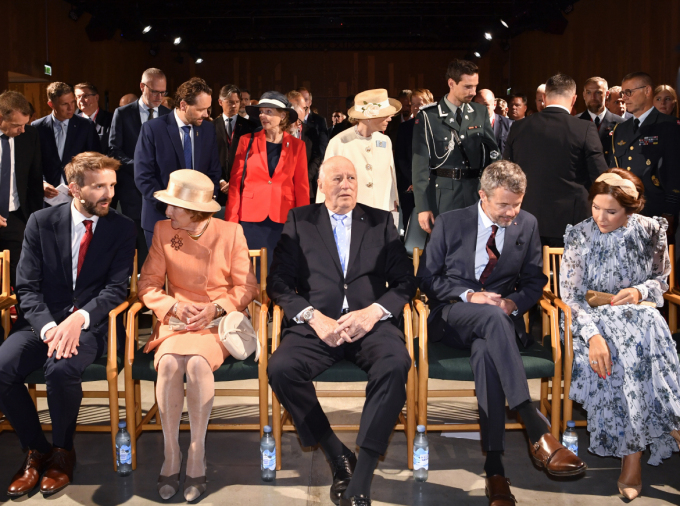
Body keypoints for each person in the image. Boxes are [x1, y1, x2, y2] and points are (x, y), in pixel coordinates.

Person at [417, 160, 586, 505]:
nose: (512, 212)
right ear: (483, 195)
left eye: (518, 203)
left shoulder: (528, 224)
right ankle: (533, 423)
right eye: (503, 204)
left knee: (485, 351)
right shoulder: (450, 222)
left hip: (499, 325)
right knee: (490, 321)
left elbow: (535, 281)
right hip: (453, 315)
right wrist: (471, 296)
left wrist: (513, 304)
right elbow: (428, 279)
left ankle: (495, 471)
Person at [267, 156, 416, 506]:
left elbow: (406, 282)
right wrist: (312, 317)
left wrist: (373, 313)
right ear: (321, 184)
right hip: (319, 326)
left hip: (370, 324)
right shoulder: (300, 220)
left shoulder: (380, 222)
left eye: (351, 178)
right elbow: (278, 282)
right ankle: (336, 453)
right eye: (337, 178)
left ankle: (360, 478)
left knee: (395, 365)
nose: (346, 184)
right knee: (281, 368)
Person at [0, 152, 136, 497]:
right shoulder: (41, 222)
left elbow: (116, 289)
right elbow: (27, 288)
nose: (109, 194)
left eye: (112, 185)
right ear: (74, 189)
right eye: (99, 187)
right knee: (2, 366)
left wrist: (79, 318)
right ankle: (36, 449)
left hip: (93, 325)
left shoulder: (122, 227)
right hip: (42, 324)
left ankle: (62, 452)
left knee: (61, 368)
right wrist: (49, 328)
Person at [138, 169, 259, 502]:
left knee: (196, 365)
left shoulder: (231, 232)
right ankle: (170, 452)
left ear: (195, 211)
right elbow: (147, 284)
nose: (167, 212)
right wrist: (173, 307)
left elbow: (247, 286)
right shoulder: (164, 232)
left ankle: (196, 451)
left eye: (174, 206)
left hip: (217, 321)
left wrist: (218, 308)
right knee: (167, 366)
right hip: (177, 318)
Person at [560, 169, 680, 501]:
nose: (600, 216)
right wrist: (593, 337)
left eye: (611, 211)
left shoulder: (652, 230)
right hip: (589, 323)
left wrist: (641, 291)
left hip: (638, 324)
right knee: (638, 342)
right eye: (596, 207)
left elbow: (662, 281)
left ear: (632, 209)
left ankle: (633, 458)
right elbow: (569, 298)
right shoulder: (580, 235)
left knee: (640, 332)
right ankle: (672, 425)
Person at [504, 73, 608, 246]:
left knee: (530, 272)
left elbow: (507, 173)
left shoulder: (519, 127)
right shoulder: (584, 128)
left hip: (527, 217)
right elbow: (600, 177)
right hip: (571, 222)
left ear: (544, 98)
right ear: (574, 99)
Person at [412, 59, 500, 234]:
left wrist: (494, 193)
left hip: (476, 192)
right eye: (467, 86)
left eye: (475, 86)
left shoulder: (479, 112)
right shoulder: (429, 116)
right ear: (451, 83)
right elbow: (419, 165)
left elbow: (494, 154)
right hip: (443, 195)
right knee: (444, 248)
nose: (473, 92)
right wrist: (422, 207)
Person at [225, 91, 309, 271]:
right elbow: (235, 185)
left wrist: (301, 224)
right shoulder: (246, 141)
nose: (263, 116)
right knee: (250, 273)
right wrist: (231, 222)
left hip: (283, 219)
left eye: (269, 112)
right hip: (250, 219)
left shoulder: (297, 146)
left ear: (283, 115)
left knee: (280, 271)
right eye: (262, 112)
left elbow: (302, 188)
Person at [134, 77, 221, 248]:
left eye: (208, 109)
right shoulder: (153, 129)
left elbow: (214, 172)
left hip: (198, 221)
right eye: (201, 109)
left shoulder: (208, 129)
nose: (206, 114)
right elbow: (143, 176)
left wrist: (202, 207)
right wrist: (173, 208)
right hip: (160, 218)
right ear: (183, 105)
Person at [109, 68, 171, 266]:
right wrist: (141, 168)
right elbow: (114, 151)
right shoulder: (123, 114)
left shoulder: (169, 116)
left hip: (162, 193)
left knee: (160, 246)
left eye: (163, 93)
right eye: (154, 92)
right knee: (136, 246)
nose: (159, 97)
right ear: (142, 86)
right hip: (132, 192)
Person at [609, 72, 680, 228]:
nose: (624, 98)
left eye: (629, 92)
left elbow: (675, 172)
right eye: (623, 93)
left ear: (647, 91)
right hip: (625, 211)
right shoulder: (620, 129)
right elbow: (614, 171)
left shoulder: (668, 125)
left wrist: (670, 211)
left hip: (655, 210)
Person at [318, 88, 400, 224]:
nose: (390, 118)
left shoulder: (385, 141)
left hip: (381, 218)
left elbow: (391, 182)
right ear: (369, 117)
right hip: (349, 219)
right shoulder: (340, 142)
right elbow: (325, 185)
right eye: (385, 114)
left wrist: (393, 216)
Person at [0, 91, 43, 289]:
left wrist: (34, 219)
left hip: (15, 216)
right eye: (17, 125)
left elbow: (34, 180)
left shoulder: (30, 136)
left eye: (25, 124)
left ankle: (26, 319)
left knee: (22, 276)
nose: (22, 130)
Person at [32, 82, 100, 199]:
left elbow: (94, 159)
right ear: (51, 104)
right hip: (47, 195)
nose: (71, 108)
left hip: (77, 193)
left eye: (72, 102)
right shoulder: (37, 127)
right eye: (64, 104)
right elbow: (34, 162)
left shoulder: (86, 125)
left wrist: (81, 185)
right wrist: (42, 183)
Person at [395, 88, 434, 230]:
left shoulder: (439, 128)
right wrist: (415, 180)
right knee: (409, 224)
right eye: (413, 104)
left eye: (421, 103)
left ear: (431, 104)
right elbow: (401, 158)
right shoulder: (404, 128)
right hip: (409, 185)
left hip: (433, 185)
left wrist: (429, 179)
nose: (416, 107)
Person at [214, 84, 258, 206]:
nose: (234, 106)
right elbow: (208, 158)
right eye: (230, 102)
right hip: (218, 187)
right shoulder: (211, 127)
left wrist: (236, 180)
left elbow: (253, 159)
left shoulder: (250, 127)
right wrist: (220, 180)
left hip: (243, 186)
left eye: (237, 102)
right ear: (220, 102)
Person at [577, 77, 624, 165]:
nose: (593, 97)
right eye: (588, 92)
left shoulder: (621, 123)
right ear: (584, 95)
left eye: (598, 92)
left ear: (607, 94)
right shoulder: (575, 122)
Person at [288, 90, 322, 201]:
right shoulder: (278, 133)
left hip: (307, 188)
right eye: (304, 108)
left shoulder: (311, 132)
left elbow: (316, 157)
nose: (306, 111)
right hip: (284, 188)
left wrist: (304, 179)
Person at [74, 82, 113, 151]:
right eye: (78, 97)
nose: (81, 100)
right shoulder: (73, 121)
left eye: (85, 96)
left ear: (96, 97)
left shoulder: (111, 119)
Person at [474, 88, 513, 154]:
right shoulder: (467, 124)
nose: (481, 109)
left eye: (486, 105)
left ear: (494, 105)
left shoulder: (509, 125)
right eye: (477, 105)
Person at [297, 87, 329, 158]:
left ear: (310, 102)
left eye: (305, 99)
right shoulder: (289, 121)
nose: (303, 103)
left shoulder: (319, 121)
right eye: (299, 99)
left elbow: (322, 148)